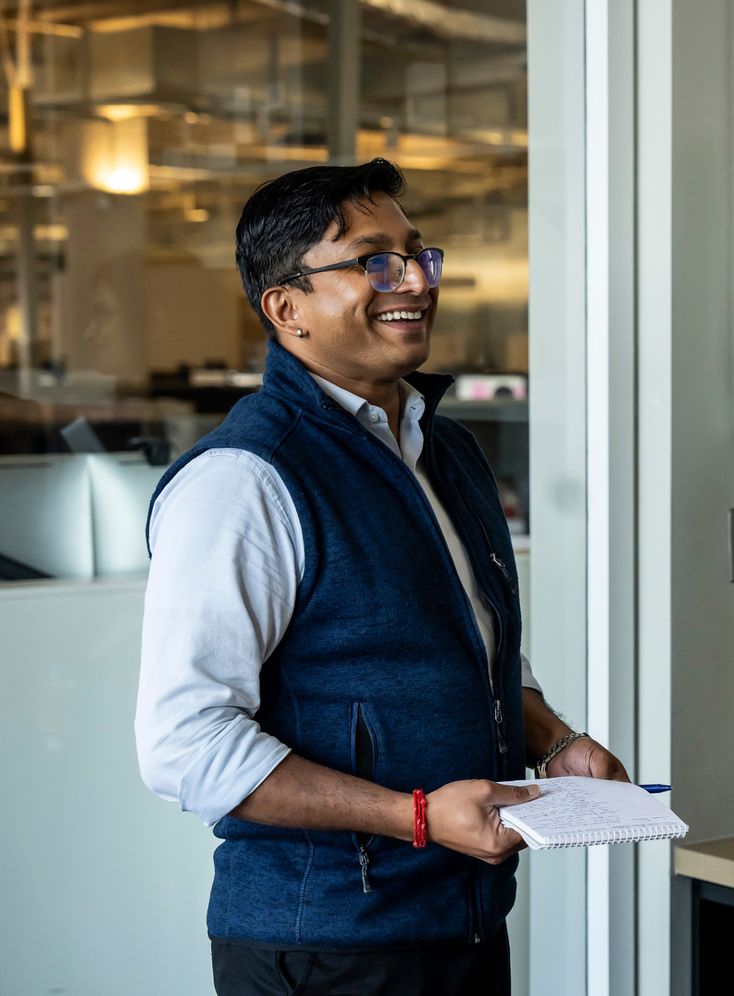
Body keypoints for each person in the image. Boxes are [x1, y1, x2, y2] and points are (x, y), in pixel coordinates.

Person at [135, 158, 627, 996]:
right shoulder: (244, 480)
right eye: (372, 261)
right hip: (327, 946)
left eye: (416, 255)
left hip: (462, 922)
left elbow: (469, 650)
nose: (412, 281)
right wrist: (419, 818)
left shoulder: (447, 450)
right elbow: (186, 747)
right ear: (285, 308)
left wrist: (557, 741)